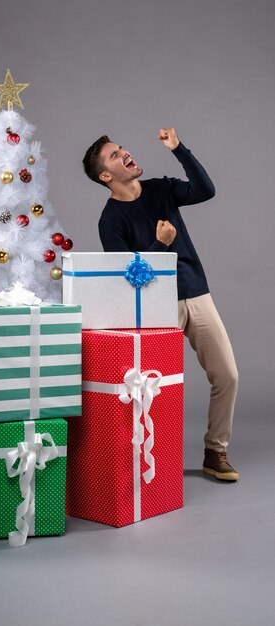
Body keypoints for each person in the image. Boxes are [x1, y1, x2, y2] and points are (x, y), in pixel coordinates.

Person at [82, 128, 239, 481]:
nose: (124, 152)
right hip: (154, 308)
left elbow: (205, 190)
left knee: (227, 375)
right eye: (114, 154)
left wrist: (179, 149)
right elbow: (128, 280)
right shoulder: (110, 221)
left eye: (122, 147)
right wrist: (161, 244)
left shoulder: (160, 188)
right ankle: (152, 461)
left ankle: (215, 451)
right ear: (106, 176)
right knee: (154, 389)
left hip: (196, 292)